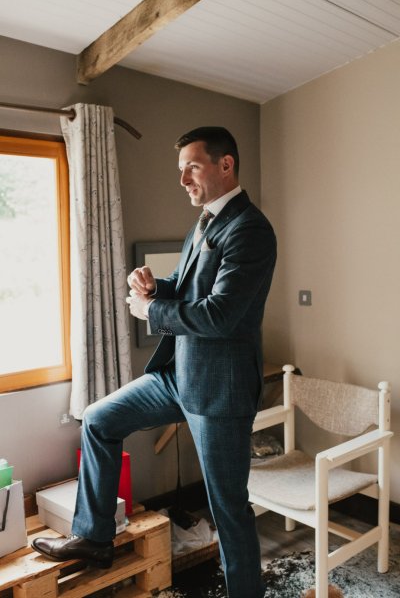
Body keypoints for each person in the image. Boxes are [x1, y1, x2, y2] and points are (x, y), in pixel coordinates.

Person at [32, 126, 277, 598]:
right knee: (100, 419)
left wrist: (151, 311)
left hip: (219, 391)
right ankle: (95, 537)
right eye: (181, 168)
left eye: (192, 166)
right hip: (177, 375)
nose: (183, 178)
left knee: (227, 507)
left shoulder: (251, 229)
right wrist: (156, 287)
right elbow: (191, 289)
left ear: (225, 165)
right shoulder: (204, 222)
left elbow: (223, 315)